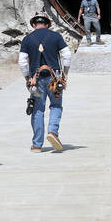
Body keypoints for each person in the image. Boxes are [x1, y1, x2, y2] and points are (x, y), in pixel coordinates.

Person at [19, 13, 72, 153]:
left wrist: (27, 78)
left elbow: (22, 62)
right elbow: (67, 55)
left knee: (38, 109)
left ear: (33, 24)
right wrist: (65, 74)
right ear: (47, 24)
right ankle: (53, 131)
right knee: (56, 105)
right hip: (54, 79)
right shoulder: (56, 36)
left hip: (36, 80)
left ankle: (37, 145)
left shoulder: (27, 39)